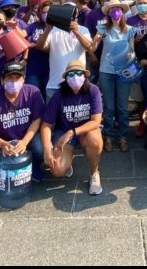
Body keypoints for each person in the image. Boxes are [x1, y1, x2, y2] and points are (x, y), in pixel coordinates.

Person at [39, 60, 104, 195]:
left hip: (84, 131)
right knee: (57, 170)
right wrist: (47, 149)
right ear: (66, 77)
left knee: (95, 140)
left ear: (85, 76)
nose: (75, 77)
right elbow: (46, 125)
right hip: (63, 132)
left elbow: (96, 121)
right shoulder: (59, 95)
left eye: (79, 73)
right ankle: (67, 162)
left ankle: (94, 173)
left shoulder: (93, 90)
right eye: (71, 74)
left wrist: (72, 132)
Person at [0, 61, 45, 192]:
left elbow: (37, 120)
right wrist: (2, 144)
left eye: (17, 78)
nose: (14, 82)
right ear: (2, 80)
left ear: (23, 79)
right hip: (4, 145)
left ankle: (33, 166)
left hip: (27, 138)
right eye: (10, 78)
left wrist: (24, 142)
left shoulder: (32, 92)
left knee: (41, 149)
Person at [93, 0, 137, 153]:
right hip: (106, 71)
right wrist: (95, 39)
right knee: (109, 107)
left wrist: (131, 66)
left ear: (122, 12)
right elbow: (93, 46)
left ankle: (123, 136)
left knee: (122, 107)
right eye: (112, 9)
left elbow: (132, 51)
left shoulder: (130, 30)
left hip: (123, 72)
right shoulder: (103, 29)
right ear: (108, 12)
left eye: (118, 9)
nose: (115, 11)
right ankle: (109, 136)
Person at [34, 5, 93, 102]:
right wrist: (48, 30)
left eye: (73, 15)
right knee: (53, 116)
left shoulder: (83, 30)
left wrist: (76, 32)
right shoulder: (53, 30)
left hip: (77, 83)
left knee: (76, 115)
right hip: (55, 84)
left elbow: (89, 47)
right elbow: (39, 46)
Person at [24, 1, 52, 98]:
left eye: (48, 12)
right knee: (33, 95)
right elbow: (22, 34)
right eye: (43, 12)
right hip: (33, 68)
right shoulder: (34, 26)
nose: (46, 15)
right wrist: (15, 27)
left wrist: (35, 45)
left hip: (50, 69)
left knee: (47, 95)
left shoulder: (57, 28)